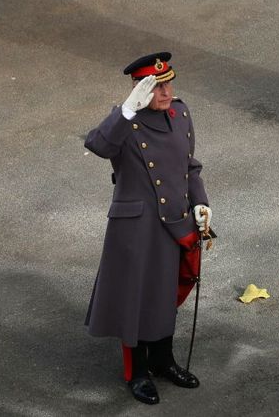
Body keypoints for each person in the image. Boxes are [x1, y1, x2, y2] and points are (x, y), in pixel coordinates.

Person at [84, 52, 212, 405]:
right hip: (137, 227)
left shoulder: (180, 113)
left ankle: (162, 360)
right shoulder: (125, 121)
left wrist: (200, 202)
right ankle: (137, 372)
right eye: (157, 87)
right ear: (139, 89)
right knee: (136, 298)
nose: (167, 93)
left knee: (163, 294)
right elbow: (97, 145)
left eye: (168, 84)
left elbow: (189, 167)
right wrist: (127, 110)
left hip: (175, 221)